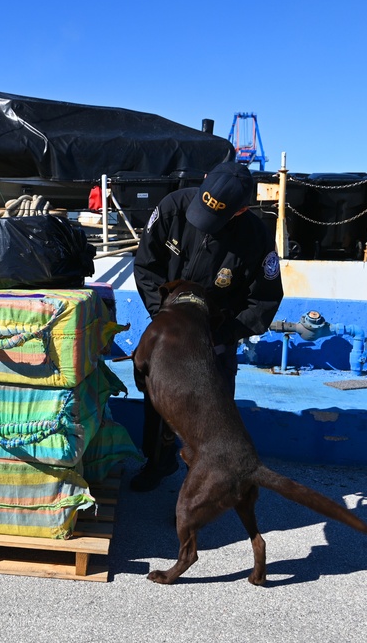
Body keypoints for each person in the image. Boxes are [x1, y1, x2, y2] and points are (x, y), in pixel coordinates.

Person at [130, 161, 284, 491]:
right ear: (202, 181)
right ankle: (157, 463)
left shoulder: (256, 239)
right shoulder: (172, 208)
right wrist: (164, 317)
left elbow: (264, 303)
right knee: (157, 407)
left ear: (241, 210)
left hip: (214, 343)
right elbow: (146, 266)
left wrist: (220, 334)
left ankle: (199, 488)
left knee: (209, 419)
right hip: (168, 334)